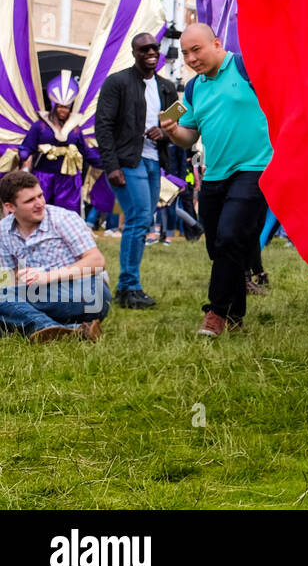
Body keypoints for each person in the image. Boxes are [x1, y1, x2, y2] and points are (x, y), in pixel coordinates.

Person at [160, 24, 271, 337]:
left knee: (230, 237)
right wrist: (172, 131)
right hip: (215, 175)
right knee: (218, 246)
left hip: (255, 168)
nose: (191, 58)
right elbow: (189, 136)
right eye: (185, 53)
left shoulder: (245, 66)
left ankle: (217, 312)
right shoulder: (194, 88)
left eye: (197, 50)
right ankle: (235, 312)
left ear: (217, 43)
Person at [96, 32, 178, 310]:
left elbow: (176, 122)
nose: (151, 52)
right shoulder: (117, 83)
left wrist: (164, 133)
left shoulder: (166, 87)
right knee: (139, 218)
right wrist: (111, 166)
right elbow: (103, 126)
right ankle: (129, 287)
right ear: (134, 53)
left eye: (154, 48)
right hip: (127, 162)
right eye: (144, 49)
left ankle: (128, 286)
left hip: (155, 161)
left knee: (143, 219)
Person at [0, 171, 109, 342]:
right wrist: (17, 277)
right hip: (41, 297)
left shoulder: (63, 218)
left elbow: (96, 261)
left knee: (7, 305)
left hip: (88, 293)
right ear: (10, 207)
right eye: (30, 200)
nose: (40, 203)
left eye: (40, 196)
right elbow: (9, 279)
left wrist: (47, 276)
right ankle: (74, 330)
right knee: (5, 295)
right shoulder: (3, 230)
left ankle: (40, 326)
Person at [19, 72, 97, 214]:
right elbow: (27, 146)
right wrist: (24, 154)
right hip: (43, 177)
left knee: (65, 213)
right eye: (60, 106)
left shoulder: (75, 129)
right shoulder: (40, 126)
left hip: (68, 179)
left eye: (66, 107)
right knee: (40, 210)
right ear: (54, 106)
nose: (63, 110)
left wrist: (107, 162)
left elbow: (86, 152)